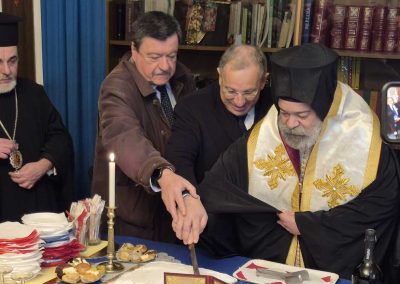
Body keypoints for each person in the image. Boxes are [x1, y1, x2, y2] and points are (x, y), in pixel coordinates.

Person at [173, 43, 400, 279]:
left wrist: (309, 225)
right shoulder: (266, 132)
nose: (289, 124)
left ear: (325, 108)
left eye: (302, 115)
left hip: (333, 270)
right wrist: (195, 203)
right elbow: (220, 184)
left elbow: (380, 207)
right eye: (284, 112)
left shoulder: (363, 138)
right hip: (271, 270)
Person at [91, 11, 205, 242]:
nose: (165, 66)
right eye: (154, 57)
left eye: (171, 56)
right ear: (134, 50)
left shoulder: (182, 76)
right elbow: (125, 137)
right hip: (134, 217)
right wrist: (161, 173)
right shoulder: (116, 86)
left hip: (176, 211)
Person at [166, 44, 273, 251]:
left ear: (263, 81)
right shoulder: (193, 108)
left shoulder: (278, 107)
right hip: (211, 231)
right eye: (230, 91)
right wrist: (188, 199)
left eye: (249, 92)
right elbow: (179, 159)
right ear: (219, 76)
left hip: (266, 234)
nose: (240, 101)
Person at [0, 12, 74, 221]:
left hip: (40, 214)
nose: (7, 70)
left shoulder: (34, 93)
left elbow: (61, 139)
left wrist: (45, 164)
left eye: (12, 61)